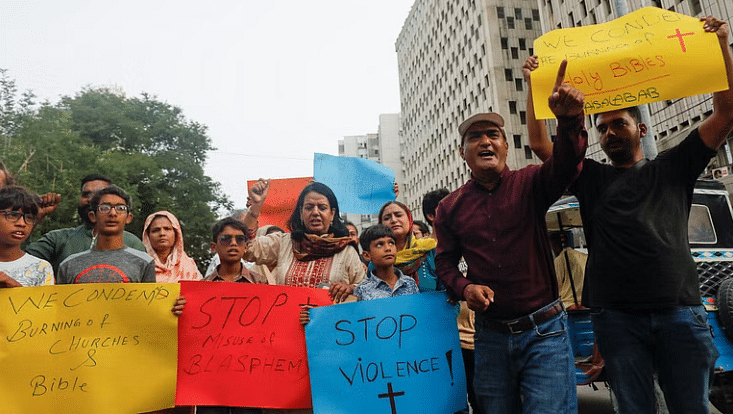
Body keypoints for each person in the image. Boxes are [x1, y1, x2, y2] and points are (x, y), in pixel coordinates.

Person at [524, 16, 732, 414]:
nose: (609, 134)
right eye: (601, 129)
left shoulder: (673, 166)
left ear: (641, 129)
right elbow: (537, 142)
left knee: (692, 407)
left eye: (618, 124)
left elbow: (725, 114)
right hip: (618, 320)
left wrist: (721, 44)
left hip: (680, 314)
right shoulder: (587, 176)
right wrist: (535, 85)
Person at [433, 60, 587, 414]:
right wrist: (464, 288)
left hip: (545, 333)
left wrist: (568, 121)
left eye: (493, 135)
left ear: (505, 145)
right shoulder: (450, 207)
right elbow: (444, 262)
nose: (485, 141)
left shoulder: (532, 182)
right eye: (475, 137)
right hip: (490, 338)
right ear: (463, 153)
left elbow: (567, 162)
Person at [244, 180, 365, 303]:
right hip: (287, 319)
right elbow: (247, 249)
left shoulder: (345, 250)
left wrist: (350, 288)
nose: (315, 212)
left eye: (322, 208)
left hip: (330, 320)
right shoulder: (284, 243)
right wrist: (256, 207)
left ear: (332, 214)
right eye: (309, 207)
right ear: (301, 213)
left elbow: (365, 289)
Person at [26, 174, 146, 275]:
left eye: (99, 194)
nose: (91, 199)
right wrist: (35, 217)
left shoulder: (133, 243)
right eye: (86, 194)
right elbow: (19, 261)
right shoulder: (58, 239)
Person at [300, 224, 418, 324]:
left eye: (391, 243)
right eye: (379, 244)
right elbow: (345, 320)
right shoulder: (361, 290)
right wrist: (315, 316)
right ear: (367, 255)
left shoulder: (410, 284)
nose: (388, 248)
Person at [57, 185, 155, 284]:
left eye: (120, 208)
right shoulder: (68, 265)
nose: (112, 213)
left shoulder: (144, 262)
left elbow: (150, 299)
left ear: (128, 218)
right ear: (93, 216)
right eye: (104, 208)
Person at [378, 200, 439, 292]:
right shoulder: (377, 260)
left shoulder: (430, 250)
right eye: (387, 218)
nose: (394, 220)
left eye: (398, 215)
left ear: (409, 220)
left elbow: (448, 292)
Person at [0, 186, 53, 287]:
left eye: (29, 218)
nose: (22, 223)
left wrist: (16, 289)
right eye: (12, 215)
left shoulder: (41, 268)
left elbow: (43, 302)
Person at [142, 211, 202, 283]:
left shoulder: (188, 265)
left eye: (167, 229)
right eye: (156, 230)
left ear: (176, 233)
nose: (162, 233)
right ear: (147, 236)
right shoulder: (140, 264)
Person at [549, 232, 587, 309]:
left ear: (555, 245)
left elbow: (555, 288)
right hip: (586, 303)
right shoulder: (584, 256)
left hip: (569, 305)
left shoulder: (560, 260)